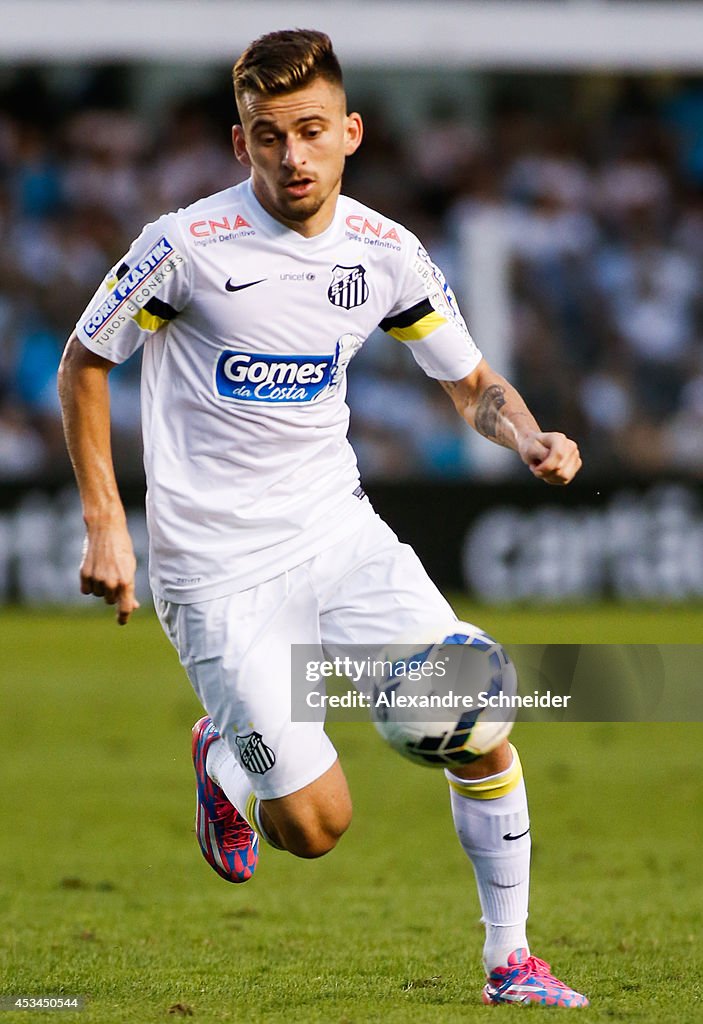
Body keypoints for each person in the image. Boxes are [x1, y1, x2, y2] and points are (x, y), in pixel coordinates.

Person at [58, 29, 587, 1008]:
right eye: (268, 135)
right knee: (314, 824)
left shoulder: (386, 254)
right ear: (239, 142)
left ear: (350, 131)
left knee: (474, 717)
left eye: (309, 131)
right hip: (214, 567)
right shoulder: (185, 247)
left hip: (339, 537)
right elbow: (85, 363)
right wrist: (105, 523)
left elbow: (470, 382)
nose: (291, 155)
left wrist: (524, 435)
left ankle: (508, 961)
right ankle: (222, 755)